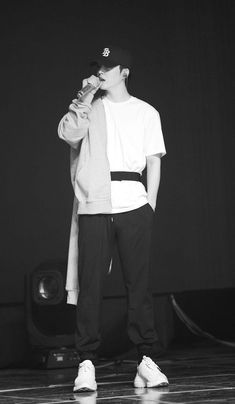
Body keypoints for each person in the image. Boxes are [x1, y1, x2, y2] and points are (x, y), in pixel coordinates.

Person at [58, 45, 169, 392]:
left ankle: (146, 359)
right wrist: (84, 95)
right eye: (98, 66)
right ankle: (86, 362)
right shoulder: (90, 107)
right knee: (91, 286)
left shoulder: (147, 112)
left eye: (108, 66)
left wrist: (149, 205)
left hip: (135, 205)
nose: (101, 71)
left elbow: (154, 161)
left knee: (139, 286)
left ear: (125, 71)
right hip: (96, 204)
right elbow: (67, 134)